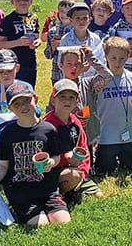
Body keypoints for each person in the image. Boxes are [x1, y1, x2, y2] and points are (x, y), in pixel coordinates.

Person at [0, 81, 71, 227]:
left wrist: (51, 163)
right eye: (17, 104)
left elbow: (56, 156)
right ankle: (22, 209)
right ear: (10, 108)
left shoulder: (48, 129)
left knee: (63, 222)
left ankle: (51, 206)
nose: (23, 106)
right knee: (41, 224)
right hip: (20, 191)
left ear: (36, 99)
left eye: (27, 100)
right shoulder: (7, 134)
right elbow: (3, 166)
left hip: (47, 189)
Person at [87, 36, 132, 177]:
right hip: (106, 137)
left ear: (128, 56)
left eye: (122, 58)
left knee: (130, 169)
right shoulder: (97, 81)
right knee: (104, 172)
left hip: (129, 135)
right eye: (113, 58)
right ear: (105, 56)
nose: (117, 62)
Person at [43, 78, 103, 206]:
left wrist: (82, 170)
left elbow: (84, 149)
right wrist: (66, 159)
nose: (67, 101)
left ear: (77, 102)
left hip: (76, 170)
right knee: (73, 177)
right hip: (53, 172)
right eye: (62, 97)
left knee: (99, 196)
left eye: (71, 97)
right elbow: (44, 155)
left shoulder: (76, 122)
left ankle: (74, 187)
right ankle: (58, 194)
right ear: (53, 100)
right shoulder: (47, 125)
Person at [0, 0, 41, 87]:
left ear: (31, 1)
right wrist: (18, 42)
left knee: (29, 90)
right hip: (13, 63)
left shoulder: (34, 17)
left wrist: (36, 43)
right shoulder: (8, 20)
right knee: (14, 92)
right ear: (12, 1)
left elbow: (37, 37)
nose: (22, 2)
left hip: (30, 63)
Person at [58, 2, 105, 69]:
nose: (81, 21)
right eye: (77, 18)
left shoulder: (96, 39)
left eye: (84, 18)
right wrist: (77, 68)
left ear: (90, 20)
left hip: (92, 77)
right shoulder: (65, 40)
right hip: (72, 77)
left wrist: (91, 63)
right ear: (71, 20)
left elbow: (102, 60)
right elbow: (60, 63)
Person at [43, 0, 74, 87]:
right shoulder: (52, 31)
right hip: (56, 73)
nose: (64, 15)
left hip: (72, 72)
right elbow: (48, 55)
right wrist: (52, 48)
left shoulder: (75, 31)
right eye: (61, 12)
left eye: (67, 12)